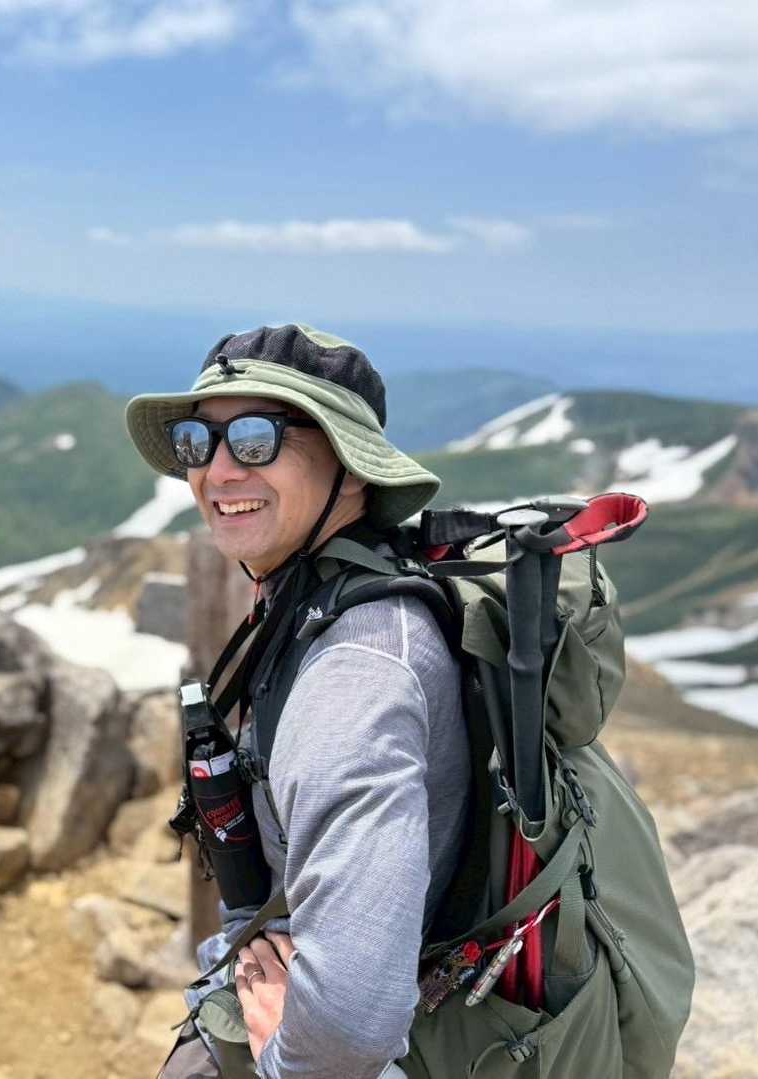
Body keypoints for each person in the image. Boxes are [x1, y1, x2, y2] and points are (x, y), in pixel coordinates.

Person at [125, 324, 466, 1078]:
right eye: (196, 442)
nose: (216, 471)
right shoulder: (317, 596)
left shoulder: (353, 675)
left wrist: (282, 1054)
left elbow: (350, 1027)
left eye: (256, 439)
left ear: (349, 465)